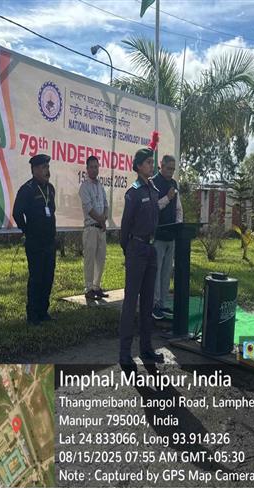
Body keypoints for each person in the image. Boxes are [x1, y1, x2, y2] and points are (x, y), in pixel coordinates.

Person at [118, 147, 164, 372]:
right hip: (136, 248)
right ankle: (125, 354)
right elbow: (125, 226)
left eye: (152, 162)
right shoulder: (134, 192)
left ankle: (146, 348)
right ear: (138, 166)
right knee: (131, 302)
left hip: (151, 248)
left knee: (147, 302)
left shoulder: (154, 190)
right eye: (147, 163)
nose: (151, 166)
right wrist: (129, 249)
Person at [13, 154, 57, 326]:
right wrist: (27, 230)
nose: (47, 171)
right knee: (36, 278)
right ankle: (32, 314)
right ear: (35, 170)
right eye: (44, 167)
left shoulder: (50, 189)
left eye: (48, 167)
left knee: (48, 277)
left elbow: (51, 210)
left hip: (49, 241)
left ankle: (43, 311)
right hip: (35, 242)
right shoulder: (27, 189)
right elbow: (17, 213)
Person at [151, 154, 183, 320]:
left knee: (166, 272)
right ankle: (154, 304)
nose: (171, 172)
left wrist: (179, 226)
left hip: (171, 236)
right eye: (168, 168)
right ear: (161, 166)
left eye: (173, 169)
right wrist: (167, 198)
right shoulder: (153, 183)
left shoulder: (174, 184)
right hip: (158, 235)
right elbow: (152, 208)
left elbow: (178, 208)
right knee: (156, 272)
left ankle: (162, 303)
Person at [78, 155, 109, 301]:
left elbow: (106, 205)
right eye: (91, 167)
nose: (94, 169)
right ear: (87, 169)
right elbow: (89, 208)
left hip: (101, 228)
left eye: (96, 167)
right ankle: (89, 288)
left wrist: (104, 218)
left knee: (100, 258)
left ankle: (97, 286)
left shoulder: (100, 186)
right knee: (90, 259)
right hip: (91, 227)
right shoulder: (84, 186)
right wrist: (101, 220)